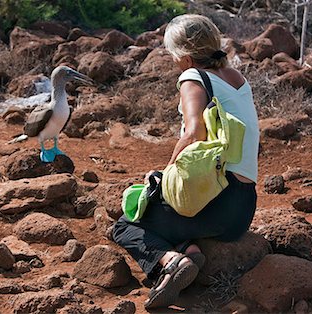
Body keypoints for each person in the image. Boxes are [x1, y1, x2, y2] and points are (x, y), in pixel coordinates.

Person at [112, 14, 259, 309]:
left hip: (214, 200)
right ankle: (189, 251)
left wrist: (166, 175)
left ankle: (171, 261)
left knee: (126, 225)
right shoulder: (237, 79)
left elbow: (194, 133)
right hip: (242, 211)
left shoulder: (193, 77)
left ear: (185, 56)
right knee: (170, 219)